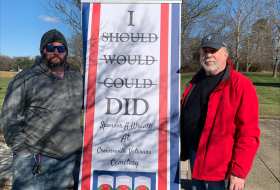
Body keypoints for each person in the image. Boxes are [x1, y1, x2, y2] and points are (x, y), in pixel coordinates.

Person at [0, 29, 83, 189]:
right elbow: (9, 118)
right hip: (34, 158)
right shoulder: (26, 78)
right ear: (43, 50)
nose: (56, 52)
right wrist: (23, 151)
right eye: (51, 48)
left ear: (66, 51)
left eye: (61, 48)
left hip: (68, 161)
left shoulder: (77, 79)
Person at [180, 33, 260, 190]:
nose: (208, 55)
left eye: (213, 50)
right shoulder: (195, 82)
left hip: (221, 170)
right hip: (195, 158)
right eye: (205, 51)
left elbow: (249, 133)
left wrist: (239, 172)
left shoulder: (241, 85)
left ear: (225, 54)